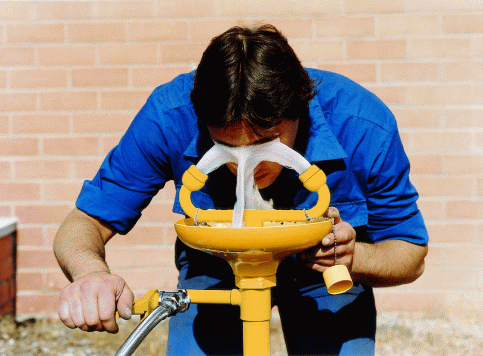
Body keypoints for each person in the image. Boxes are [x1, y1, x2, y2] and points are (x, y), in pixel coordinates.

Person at [54, 24, 428, 355]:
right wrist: (90, 273)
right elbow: (84, 221)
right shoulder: (169, 115)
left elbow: (410, 252)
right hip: (215, 264)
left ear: (300, 108)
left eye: (267, 143)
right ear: (201, 120)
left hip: (327, 270)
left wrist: (352, 257)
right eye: (226, 149)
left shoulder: (362, 123)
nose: (245, 165)